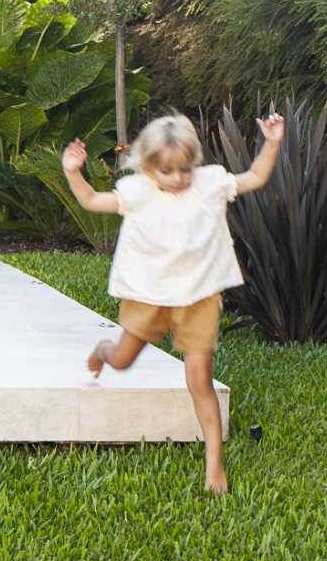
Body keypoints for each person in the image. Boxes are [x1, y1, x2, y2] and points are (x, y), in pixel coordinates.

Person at [61, 108, 285, 495]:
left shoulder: (209, 183)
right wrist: (72, 171)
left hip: (198, 297)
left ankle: (214, 465)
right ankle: (104, 350)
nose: (179, 178)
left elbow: (256, 177)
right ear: (149, 168)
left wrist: (272, 142)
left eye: (184, 169)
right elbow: (92, 201)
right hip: (147, 295)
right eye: (168, 171)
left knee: (199, 379)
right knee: (123, 360)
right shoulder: (137, 192)